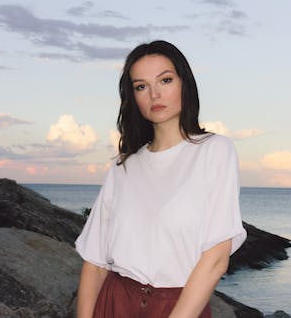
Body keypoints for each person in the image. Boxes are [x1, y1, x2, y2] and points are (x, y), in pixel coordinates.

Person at [75, 40, 247, 318]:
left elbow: (216, 259)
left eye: (165, 80)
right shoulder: (123, 166)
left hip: (180, 308)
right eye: (141, 86)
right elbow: (95, 263)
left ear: (184, 84)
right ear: (133, 97)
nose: (154, 94)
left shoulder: (214, 151)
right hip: (114, 305)